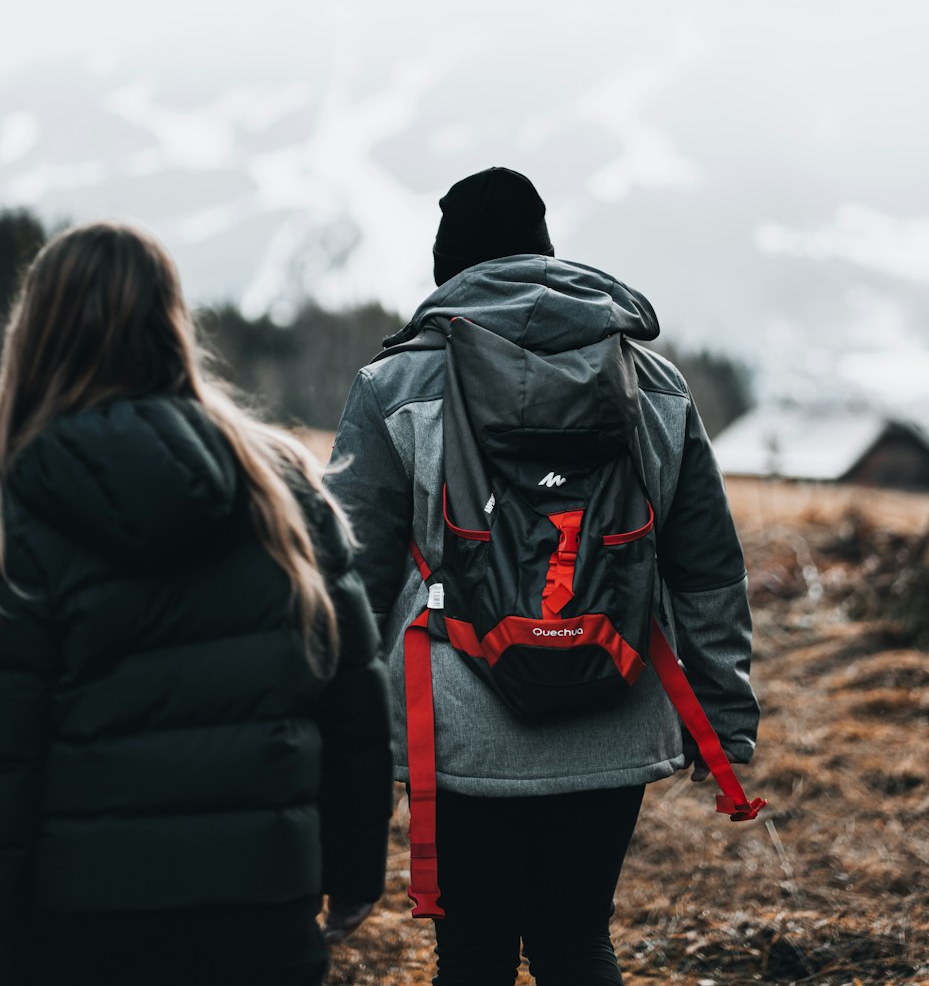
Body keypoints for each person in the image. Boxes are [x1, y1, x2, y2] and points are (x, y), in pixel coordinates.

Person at [327, 166, 760, 986]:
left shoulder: (395, 387)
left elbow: (351, 577)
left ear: (445, 270)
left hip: (456, 721)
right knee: (575, 942)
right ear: (548, 253)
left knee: (474, 954)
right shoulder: (655, 385)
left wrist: (341, 744)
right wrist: (724, 719)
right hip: (617, 705)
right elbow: (706, 568)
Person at [0, 221, 394, 986]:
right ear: (173, 323)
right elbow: (352, 699)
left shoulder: (19, 501)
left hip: (77, 924)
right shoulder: (282, 482)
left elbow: (9, 742)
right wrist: (353, 869)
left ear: (36, 332)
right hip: (260, 913)